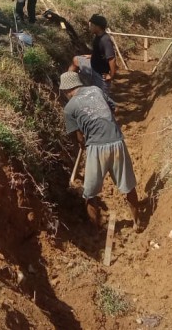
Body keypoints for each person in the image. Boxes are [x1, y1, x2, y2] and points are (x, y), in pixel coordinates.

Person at [59, 71, 140, 230]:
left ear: (66, 90)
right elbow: (113, 109)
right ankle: (137, 222)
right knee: (128, 186)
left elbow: (79, 137)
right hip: (117, 142)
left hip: (96, 148)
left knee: (90, 193)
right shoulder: (96, 90)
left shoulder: (69, 108)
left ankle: (95, 230)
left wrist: (82, 143)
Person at [85, 14, 116, 91]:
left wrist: (111, 75)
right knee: (76, 60)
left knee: (103, 96)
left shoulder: (105, 40)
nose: (89, 27)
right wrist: (92, 56)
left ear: (97, 27)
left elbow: (112, 59)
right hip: (94, 69)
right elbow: (100, 52)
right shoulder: (98, 36)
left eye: (91, 25)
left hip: (101, 74)